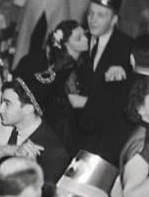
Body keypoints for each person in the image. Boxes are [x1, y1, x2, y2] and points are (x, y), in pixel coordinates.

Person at [14, 19, 91, 154]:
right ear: (66, 44)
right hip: (63, 123)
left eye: (84, 34)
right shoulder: (67, 67)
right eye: (79, 38)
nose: (86, 39)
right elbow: (74, 100)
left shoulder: (72, 62)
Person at [0, 79, 68, 190]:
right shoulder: (16, 129)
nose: (0, 109)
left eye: (7, 104)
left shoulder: (54, 153)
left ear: (28, 109)